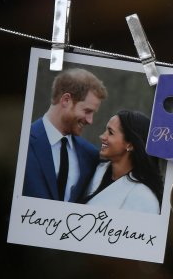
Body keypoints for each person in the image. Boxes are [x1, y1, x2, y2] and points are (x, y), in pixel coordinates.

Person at [23, 68, 107, 202]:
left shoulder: (90, 155)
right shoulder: (23, 141)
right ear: (66, 100)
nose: (90, 121)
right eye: (87, 111)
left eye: (93, 113)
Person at [82, 110, 162, 214]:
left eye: (110, 132)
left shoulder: (144, 198)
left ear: (130, 144)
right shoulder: (94, 170)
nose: (102, 136)